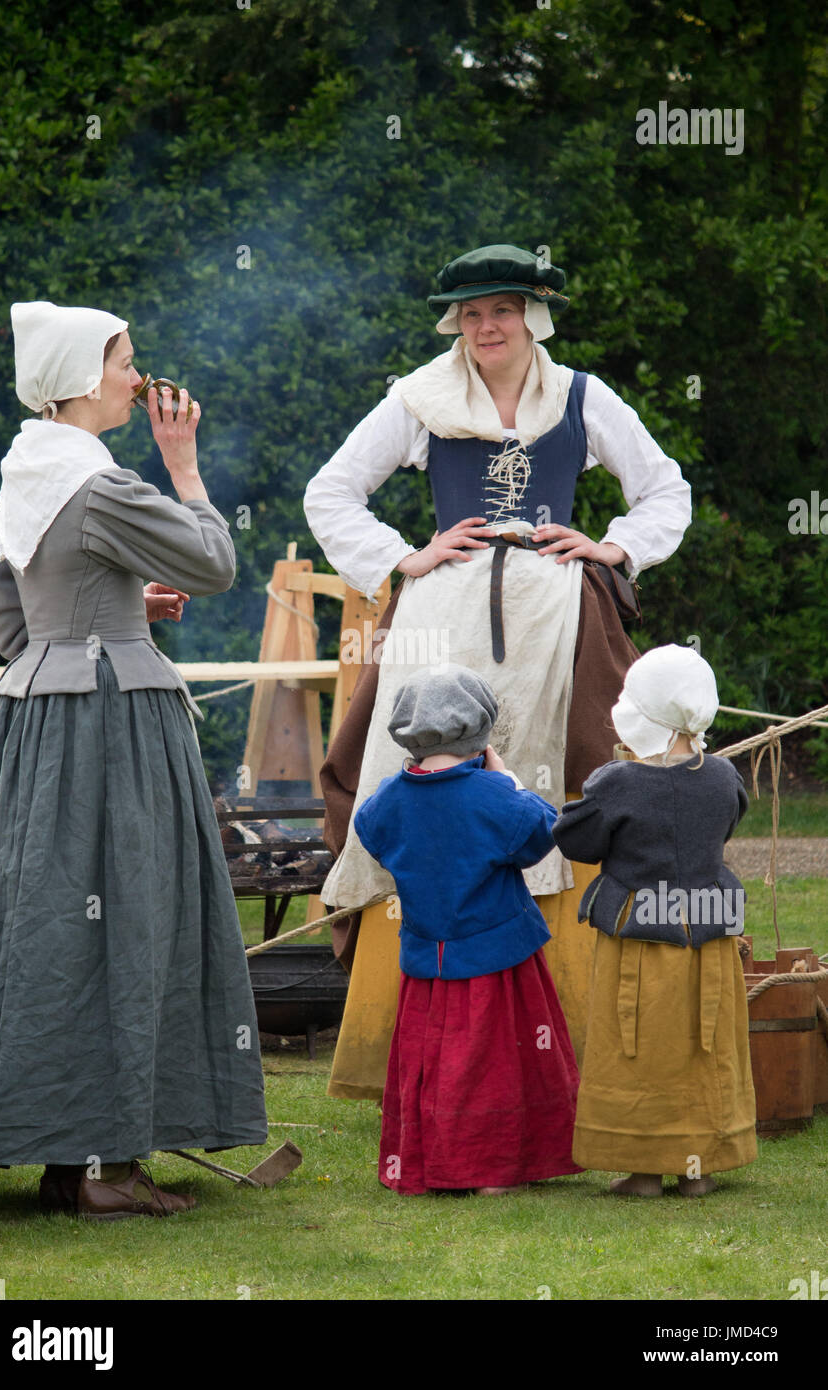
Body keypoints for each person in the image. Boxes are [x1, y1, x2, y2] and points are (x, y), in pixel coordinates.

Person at [303, 242, 692, 1100]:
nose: (487, 327)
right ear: (456, 323)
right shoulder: (419, 399)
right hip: (442, 618)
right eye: (471, 314)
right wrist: (406, 558)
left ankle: (568, 1042)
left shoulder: (584, 397)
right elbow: (330, 492)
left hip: (557, 614)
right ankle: (411, 1048)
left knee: (564, 783)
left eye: (502, 311)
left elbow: (666, 489)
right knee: (416, 776)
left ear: (532, 315)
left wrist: (613, 545)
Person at [0, 301, 267, 1218]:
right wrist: (183, 466)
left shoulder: (23, 477)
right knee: (129, 919)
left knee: (49, 929)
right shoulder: (101, 486)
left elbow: (15, 625)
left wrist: (121, 611)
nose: (140, 380)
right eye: (126, 364)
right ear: (85, 379)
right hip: (113, 728)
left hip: (35, 726)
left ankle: (70, 1154)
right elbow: (215, 560)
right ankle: (106, 1166)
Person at [354, 664, 580, 1195]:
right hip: (498, 963)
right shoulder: (492, 795)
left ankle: (439, 1163)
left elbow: (371, 830)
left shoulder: (390, 799)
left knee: (434, 1065)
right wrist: (504, 779)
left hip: (426, 967)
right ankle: (493, 1170)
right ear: (479, 733)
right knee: (495, 1064)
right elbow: (542, 831)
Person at [552, 644, 757, 1196]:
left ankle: (643, 1171)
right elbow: (725, 826)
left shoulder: (615, 782)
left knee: (637, 1047)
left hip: (639, 942)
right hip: (709, 937)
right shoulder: (722, 777)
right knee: (701, 1042)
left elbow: (576, 839)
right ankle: (700, 1167)